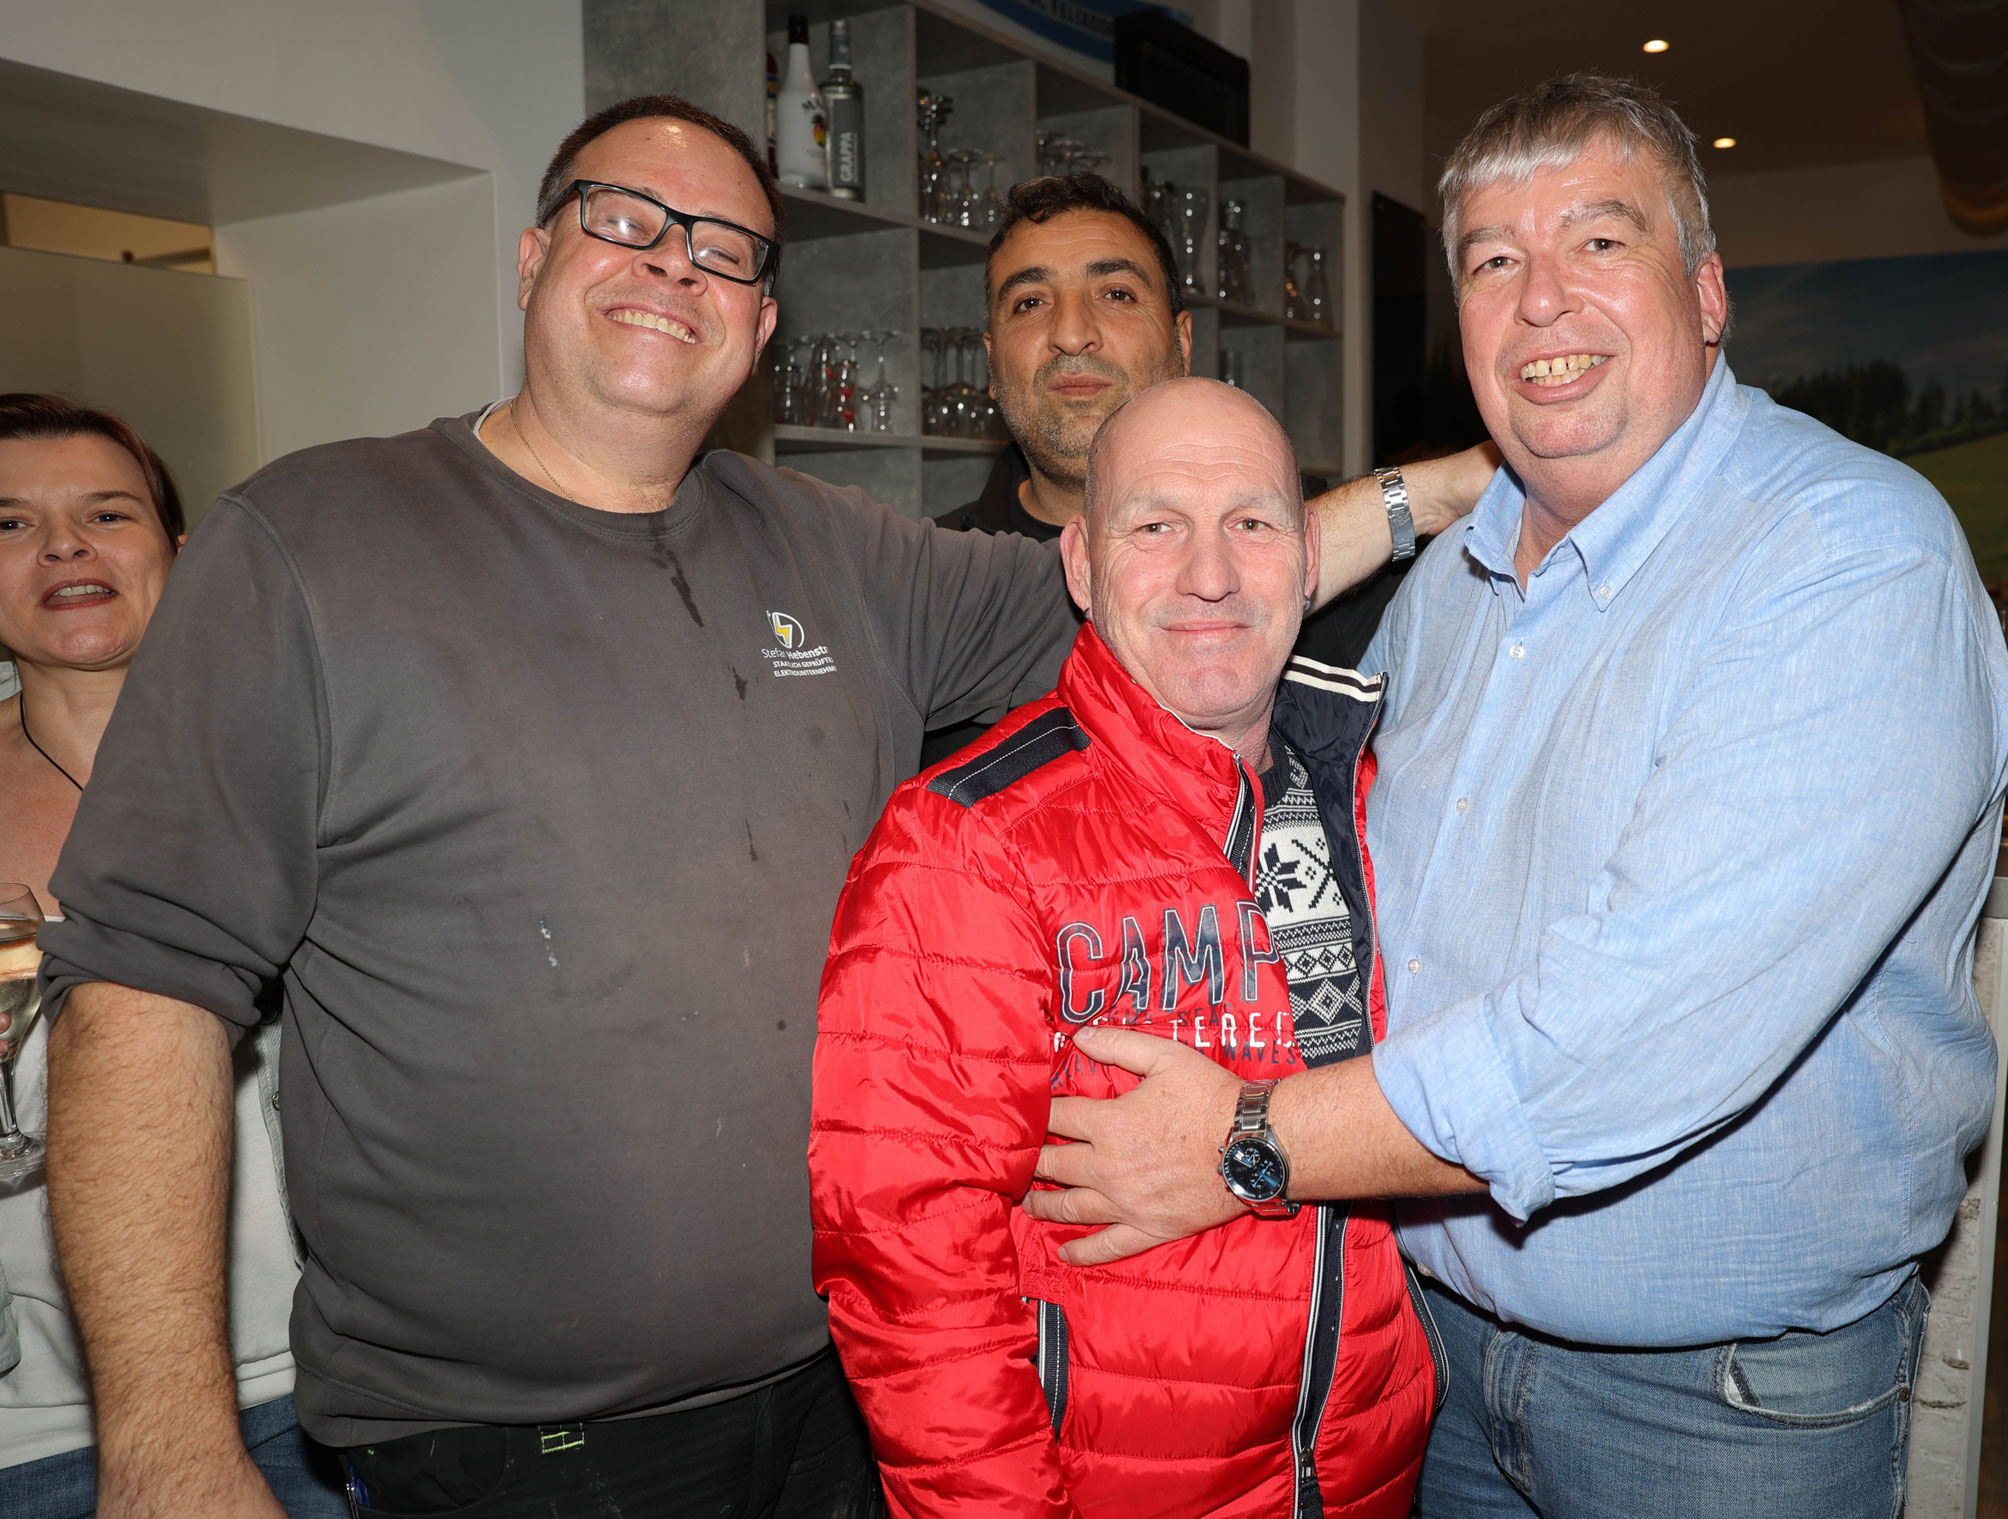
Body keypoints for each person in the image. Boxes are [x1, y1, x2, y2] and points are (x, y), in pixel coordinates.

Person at [36, 95, 1447, 1518]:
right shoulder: (311, 544)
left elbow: (1187, 583)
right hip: (514, 1450)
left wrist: (1494, 472)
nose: (672, 262)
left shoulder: (839, 554)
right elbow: (142, 990)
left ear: (763, 324)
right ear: (531, 255)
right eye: (624, 220)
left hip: (848, 1401)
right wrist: (168, 1449)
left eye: (724, 248)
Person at [1017, 72, 2008, 1519]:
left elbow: (1627, 1039)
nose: (1541, 298)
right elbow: (1207, 625)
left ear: (1708, 292)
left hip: (1715, 1408)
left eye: (1599, 241)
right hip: (1433, 1352)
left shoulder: (1846, 558)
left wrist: (1248, 1139)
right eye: (1493, 261)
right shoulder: (1456, 586)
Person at [811, 377, 1437, 1517]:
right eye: (1155, 526)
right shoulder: (966, 842)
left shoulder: (1378, 796)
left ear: (1309, 559)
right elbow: (911, 1274)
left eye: (1251, 523)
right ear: (1081, 566)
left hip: (1367, 1479)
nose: (1210, 574)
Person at [0, 394, 343, 1517]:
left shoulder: (326, 763)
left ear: (184, 555)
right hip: (40, 1426)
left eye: (106, 513)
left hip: (336, 1385)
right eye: (10, 523)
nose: (64, 546)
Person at [923, 172, 1495, 763]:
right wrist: (1431, 489)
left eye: (1116, 294)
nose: (1071, 334)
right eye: (1030, 302)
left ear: (1182, 342)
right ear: (991, 363)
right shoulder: (923, 596)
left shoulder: (1367, 572)